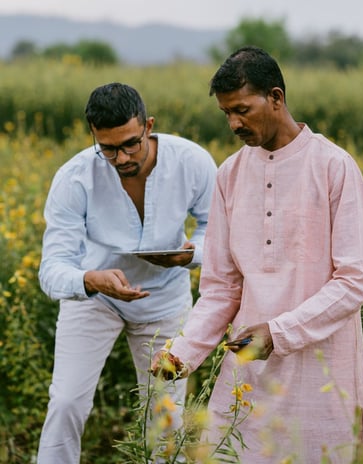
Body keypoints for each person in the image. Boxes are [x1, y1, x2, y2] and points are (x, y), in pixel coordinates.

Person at [151, 46, 363, 463]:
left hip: (322, 372)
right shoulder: (229, 175)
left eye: (242, 110)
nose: (234, 123)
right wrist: (182, 352)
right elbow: (221, 288)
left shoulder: (334, 166)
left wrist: (278, 332)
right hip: (248, 375)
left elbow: (352, 282)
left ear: (276, 97)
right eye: (226, 113)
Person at [36, 82, 217, 464]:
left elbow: (217, 227)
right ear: (93, 135)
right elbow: (52, 267)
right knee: (66, 402)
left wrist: (191, 254)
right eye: (108, 148)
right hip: (96, 298)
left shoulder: (192, 161)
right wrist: (89, 280)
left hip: (165, 300)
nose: (121, 158)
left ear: (148, 125)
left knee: (165, 413)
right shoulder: (74, 177)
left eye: (131, 144)